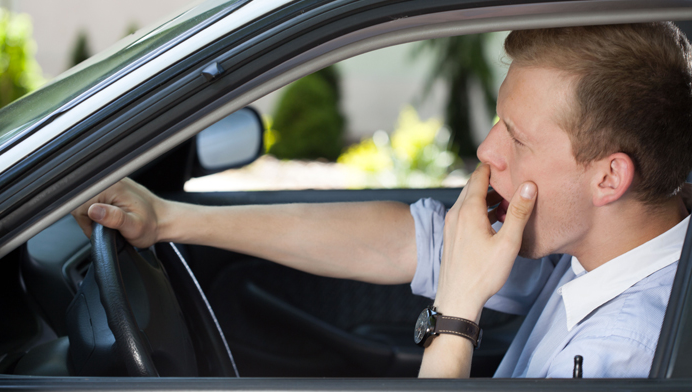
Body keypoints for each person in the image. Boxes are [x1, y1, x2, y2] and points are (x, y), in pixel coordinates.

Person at [72, 23, 692, 378]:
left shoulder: (626, 355)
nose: (486, 150)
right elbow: (398, 239)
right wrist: (172, 219)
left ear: (609, 179)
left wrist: (456, 313)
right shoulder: (586, 245)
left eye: (518, 138)